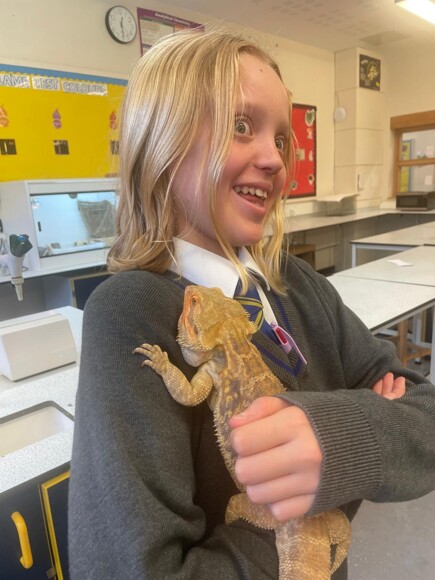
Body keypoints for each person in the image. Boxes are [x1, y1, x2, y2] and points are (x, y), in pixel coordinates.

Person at [68, 28, 435, 579]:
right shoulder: (131, 312)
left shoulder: (298, 284)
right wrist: (336, 480)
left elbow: (426, 410)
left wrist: (342, 445)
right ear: (164, 140)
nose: (274, 159)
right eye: (241, 126)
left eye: (281, 139)